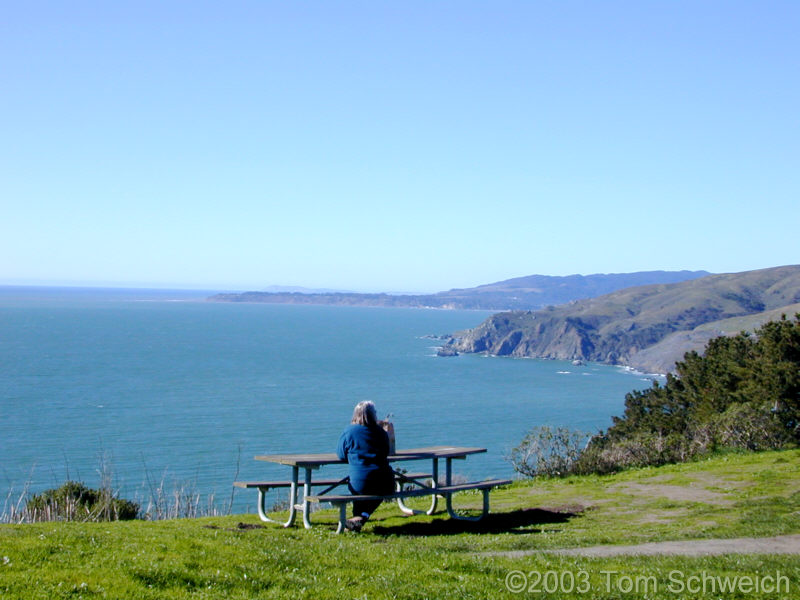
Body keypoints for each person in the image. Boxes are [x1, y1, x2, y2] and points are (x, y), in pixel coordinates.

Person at [336, 400, 394, 531]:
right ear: (373, 415)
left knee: (362, 491)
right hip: (385, 482)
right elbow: (386, 452)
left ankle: (358, 519)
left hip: (360, 482)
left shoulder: (349, 432)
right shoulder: (381, 432)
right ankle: (360, 518)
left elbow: (341, 454)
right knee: (378, 492)